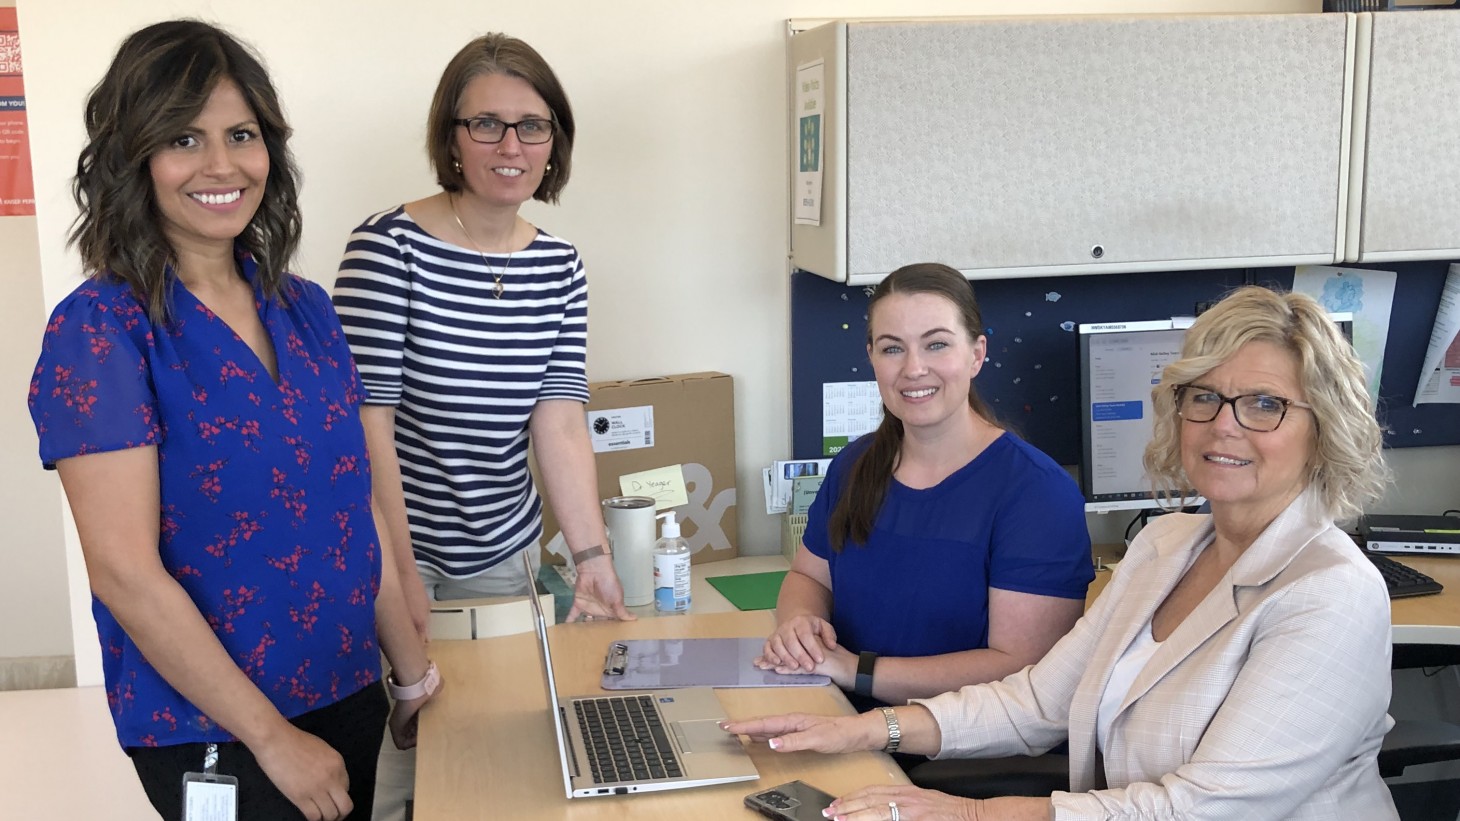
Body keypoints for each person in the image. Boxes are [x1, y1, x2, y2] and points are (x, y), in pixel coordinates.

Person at [726, 285, 1398, 821]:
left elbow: (1200, 807)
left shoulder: (1329, 593)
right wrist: (869, 732)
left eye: (1264, 404)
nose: (1224, 424)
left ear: (1325, 427)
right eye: (1205, 397)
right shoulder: (1168, 545)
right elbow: (1035, 701)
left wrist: (967, 812)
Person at [29, 21, 437, 820]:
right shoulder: (103, 331)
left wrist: (413, 674)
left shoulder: (307, 309)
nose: (221, 165)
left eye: (241, 135)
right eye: (185, 137)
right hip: (213, 728)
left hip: (348, 687)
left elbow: (355, 512)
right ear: (131, 155)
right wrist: (270, 738)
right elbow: (125, 573)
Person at [331, 33, 630, 623]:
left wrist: (591, 556)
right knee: (413, 712)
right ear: (452, 139)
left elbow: (561, 423)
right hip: (395, 548)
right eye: (487, 124)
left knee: (506, 709)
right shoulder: (388, 248)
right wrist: (400, 570)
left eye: (532, 126)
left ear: (554, 140)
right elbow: (367, 424)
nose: (512, 145)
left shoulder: (559, 266)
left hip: (505, 552)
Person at [756, 263, 1093, 712]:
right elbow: (807, 577)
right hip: (839, 711)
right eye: (892, 348)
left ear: (976, 354)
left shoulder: (1036, 492)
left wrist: (855, 670)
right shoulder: (855, 464)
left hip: (955, 753)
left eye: (936, 345)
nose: (914, 369)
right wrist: (801, 624)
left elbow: (1022, 668)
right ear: (872, 357)